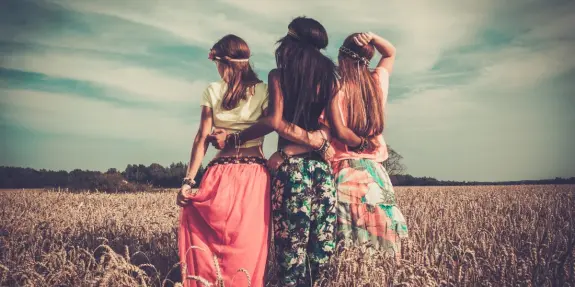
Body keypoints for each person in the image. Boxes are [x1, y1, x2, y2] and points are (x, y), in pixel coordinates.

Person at [209, 17, 339, 287]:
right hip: (322, 172)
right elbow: (333, 128)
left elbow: (274, 121)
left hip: (291, 174)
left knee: (291, 253)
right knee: (321, 252)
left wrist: (235, 138)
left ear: (290, 44)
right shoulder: (331, 79)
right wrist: (317, 142)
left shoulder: (279, 75)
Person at [176, 34, 270, 287]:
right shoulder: (264, 90)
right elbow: (271, 125)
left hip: (220, 174)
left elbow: (201, 138)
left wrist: (188, 181)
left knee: (210, 243)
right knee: (247, 244)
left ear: (223, 63)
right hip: (254, 176)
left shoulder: (212, 90)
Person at [326, 32, 408, 258]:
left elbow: (339, 132)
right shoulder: (376, 82)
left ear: (341, 57)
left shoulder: (334, 88)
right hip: (376, 175)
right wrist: (373, 37)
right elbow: (390, 52)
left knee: (349, 243)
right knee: (381, 237)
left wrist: (359, 143)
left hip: (344, 172)